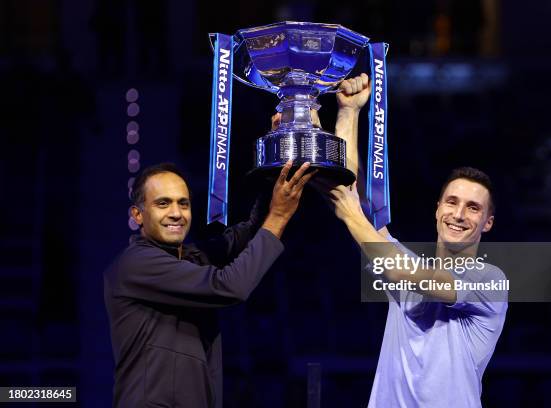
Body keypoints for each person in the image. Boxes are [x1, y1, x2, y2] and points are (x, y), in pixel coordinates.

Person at [321, 74, 508, 407]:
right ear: (437, 210)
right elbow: (356, 198)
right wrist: (348, 113)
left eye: (473, 207)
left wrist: (349, 216)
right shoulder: (407, 267)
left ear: (488, 223)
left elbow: (407, 273)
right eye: (451, 202)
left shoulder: (491, 282)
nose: (459, 214)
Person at [104, 160, 315, 407]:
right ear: (138, 214)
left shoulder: (190, 258)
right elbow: (230, 286)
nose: (176, 213)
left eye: (183, 203)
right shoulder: (136, 265)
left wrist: (273, 167)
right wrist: (278, 215)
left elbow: (246, 236)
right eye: (163, 203)